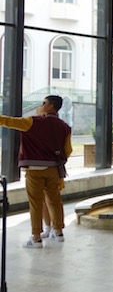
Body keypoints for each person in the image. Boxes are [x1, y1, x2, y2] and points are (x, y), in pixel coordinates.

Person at [0, 95, 71, 248]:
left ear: (50, 106)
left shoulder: (32, 122)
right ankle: (58, 232)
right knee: (54, 200)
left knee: (36, 203)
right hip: (53, 170)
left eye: (44, 103)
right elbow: (68, 150)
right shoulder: (65, 127)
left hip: (34, 170)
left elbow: (8, 121)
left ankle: (36, 237)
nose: (41, 105)